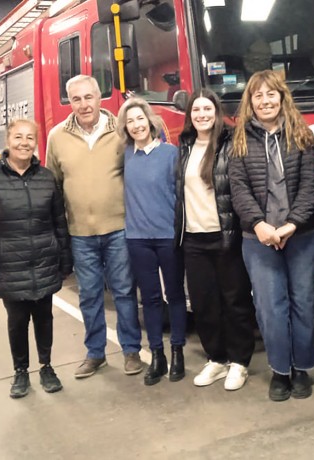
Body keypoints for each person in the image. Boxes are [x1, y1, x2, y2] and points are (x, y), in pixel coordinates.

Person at [229, 70, 314, 402]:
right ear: (250, 101)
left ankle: (302, 370)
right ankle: (280, 371)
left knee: (303, 304)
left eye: (271, 94)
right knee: (270, 307)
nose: (265, 100)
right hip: (258, 240)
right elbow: (238, 189)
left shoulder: (302, 134)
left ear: (282, 97)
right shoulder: (239, 139)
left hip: (302, 236)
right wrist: (259, 225)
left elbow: (312, 185)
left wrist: (291, 224)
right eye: (258, 95)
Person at [0, 119, 72, 399]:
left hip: (44, 261)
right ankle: (21, 372)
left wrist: (64, 261)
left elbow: (59, 222)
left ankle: (47, 367)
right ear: (8, 141)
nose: (24, 143)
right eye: (18, 137)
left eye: (29, 138)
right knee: (17, 321)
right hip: (8, 266)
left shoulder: (46, 177)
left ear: (36, 143)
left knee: (44, 319)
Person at [45, 75, 143, 379]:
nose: (83, 104)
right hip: (80, 234)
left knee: (124, 292)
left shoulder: (120, 131)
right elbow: (53, 185)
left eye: (89, 97)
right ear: (69, 101)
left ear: (99, 97)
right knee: (89, 295)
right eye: (76, 99)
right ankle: (95, 353)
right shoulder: (57, 136)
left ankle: (131, 350)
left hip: (118, 229)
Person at [174, 89, 256, 391]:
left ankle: (239, 362)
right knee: (204, 303)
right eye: (196, 110)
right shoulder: (184, 145)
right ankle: (217, 359)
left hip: (226, 236)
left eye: (207, 109)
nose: (202, 115)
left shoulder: (232, 143)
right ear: (190, 115)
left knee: (235, 301)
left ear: (217, 112)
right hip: (193, 239)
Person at [117, 97, 188, 386]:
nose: (136, 125)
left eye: (139, 119)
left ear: (150, 120)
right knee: (150, 299)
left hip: (168, 236)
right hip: (137, 239)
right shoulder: (125, 156)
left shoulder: (171, 154)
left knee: (175, 296)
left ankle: (178, 352)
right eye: (130, 121)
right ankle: (157, 355)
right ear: (126, 127)